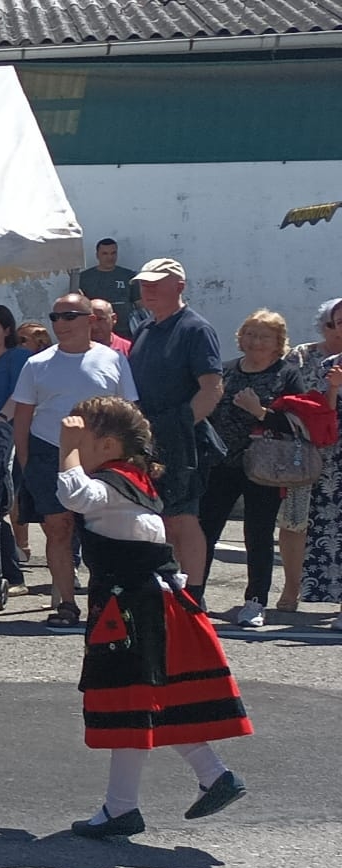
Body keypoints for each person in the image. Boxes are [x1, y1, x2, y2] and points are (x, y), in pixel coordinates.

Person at [56, 398, 250, 841]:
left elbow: (74, 495)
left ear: (108, 445)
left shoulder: (110, 486)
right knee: (146, 701)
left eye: (84, 438)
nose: (76, 443)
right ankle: (209, 776)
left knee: (130, 702)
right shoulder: (136, 484)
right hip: (145, 603)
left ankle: (125, 807)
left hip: (130, 609)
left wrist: (66, 450)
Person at [11, 292, 138, 628]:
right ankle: (66, 603)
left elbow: (129, 412)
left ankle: (105, 603)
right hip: (48, 452)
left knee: (102, 531)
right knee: (58, 529)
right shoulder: (36, 364)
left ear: (90, 320)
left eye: (69, 316)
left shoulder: (113, 359)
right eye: (55, 317)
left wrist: (128, 460)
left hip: (100, 457)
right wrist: (26, 463)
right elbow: (22, 419)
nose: (61, 324)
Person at [194, 310, 305, 624]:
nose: (256, 342)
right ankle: (194, 593)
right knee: (205, 529)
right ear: (240, 338)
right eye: (250, 334)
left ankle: (255, 602)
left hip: (265, 467)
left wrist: (260, 412)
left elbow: (296, 422)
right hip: (221, 463)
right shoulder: (225, 371)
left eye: (264, 336)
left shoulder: (287, 375)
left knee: (258, 534)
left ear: (278, 342)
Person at [127, 259, 225, 585]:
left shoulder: (195, 329)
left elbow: (212, 389)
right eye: (145, 283)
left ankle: (193, 593)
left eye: (157, 283)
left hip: (182, 441)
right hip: (147, 440)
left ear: (179, 286)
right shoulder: (144, 329)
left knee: (182, 518)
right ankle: (169, 589)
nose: (148, 289)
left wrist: (178, 428)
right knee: (158, 519)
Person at [283, 300, 342, 620]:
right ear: (326, 324)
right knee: (296, 520)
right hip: (305, 451)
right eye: (337, 322)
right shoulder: (302, 356)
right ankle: (291, 588)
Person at [78, 239, 137, 335]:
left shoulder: (128, 275)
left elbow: (140, 304)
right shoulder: (84, 278)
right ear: (97, 255)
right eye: (105, 254)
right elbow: (80, 307)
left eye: (113, 253)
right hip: (96, 332)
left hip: (126, 331)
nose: (110, 257)